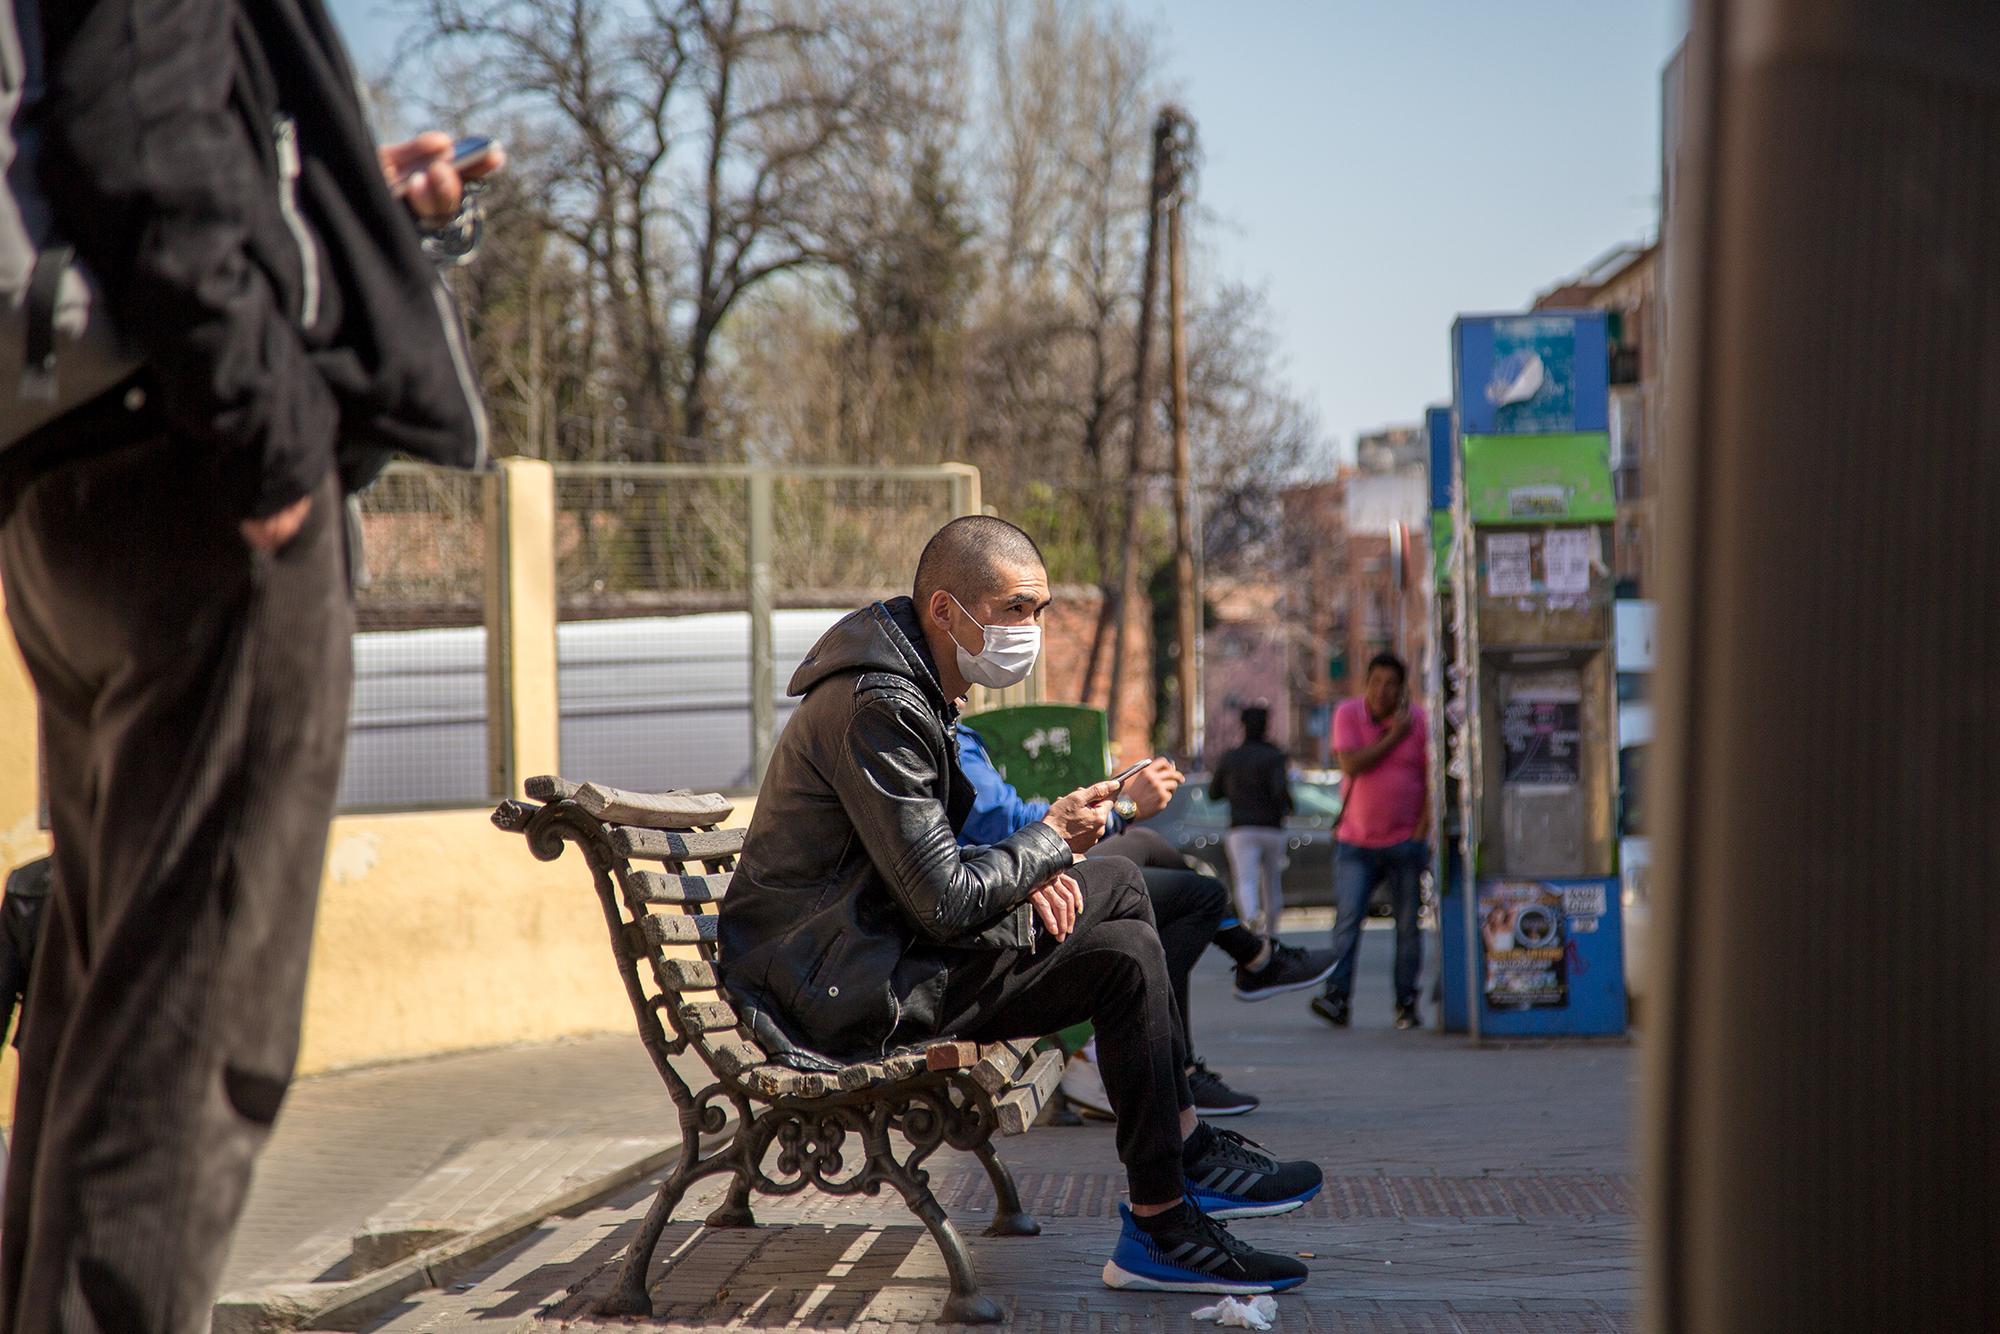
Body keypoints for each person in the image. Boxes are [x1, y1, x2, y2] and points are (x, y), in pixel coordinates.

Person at [0, 4, 501, 1329]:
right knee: (188, 1047)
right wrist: (267, 428)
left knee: (104, 1019)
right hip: (199, 493)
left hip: (66, 483)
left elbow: (129, 125)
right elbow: (143, 135)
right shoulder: (232, 462)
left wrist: (323, 213)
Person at [719, 516, 1319, 1294]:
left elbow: (917, 872)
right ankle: (1168, 1203)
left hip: (865, 954)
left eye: (1038, 611)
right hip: (836, 991)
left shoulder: (911, 690)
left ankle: (1176, 1176)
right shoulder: (882, 707)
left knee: (1125, 905)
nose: (1030, 630)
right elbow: (939, 901)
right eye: (1015, 609)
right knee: (1126, 944)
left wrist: (1034, 868)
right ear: (945, 610)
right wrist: (1050, 841)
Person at [955, 723, 1334, 1118]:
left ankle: (1253, 964)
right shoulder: (931, 723)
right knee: (1195, 899)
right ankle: (1150, 1057)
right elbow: (1012, 826)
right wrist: (1124, 807)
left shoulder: (947, 719)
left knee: (1153, 852)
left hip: (1018, 879)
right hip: (1005, 904)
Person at [1314, 652, 1431, 1031]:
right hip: (1356, 842)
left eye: (1391, 684)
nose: (1382, 691)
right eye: (1376, 682)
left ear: (1402, 690)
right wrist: (1395, 736)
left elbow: (1432, 780)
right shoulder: (1348, 714)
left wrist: (1421, 830)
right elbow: (1352, 764)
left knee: (1408, 929)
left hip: (1404, 843)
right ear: (1366, 684)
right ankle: (1337, 997)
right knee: (1347, 923)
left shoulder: (1422, 722)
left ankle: (1406, 1003)